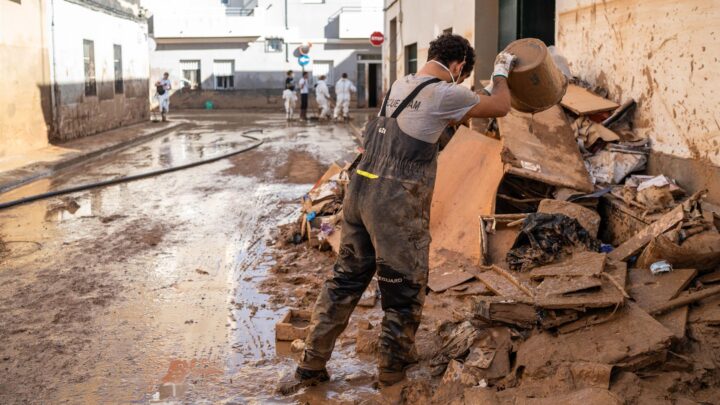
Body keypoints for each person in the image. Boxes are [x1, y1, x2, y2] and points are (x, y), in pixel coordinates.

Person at [278, 33, 516, 394]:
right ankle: (391, 378)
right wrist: (501, 72)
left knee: (343, 282)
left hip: (360, 192)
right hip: (394, 203)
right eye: (463, 76)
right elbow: (500, 106)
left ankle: (310, 366)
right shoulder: (445, 92)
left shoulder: (399, 86)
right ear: (457, 67)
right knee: (402, 292)